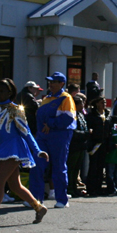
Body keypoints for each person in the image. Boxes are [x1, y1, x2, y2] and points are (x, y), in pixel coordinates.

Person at [0, 79, 49, 228]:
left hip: (14, 149)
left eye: (3, 91)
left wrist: (37, 150)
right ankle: (39, 208)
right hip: (3, 149)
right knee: (15, 186)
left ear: (10, 93)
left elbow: (25, 132)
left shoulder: (16, 109)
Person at [29, 72, 76, 208]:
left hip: (60, 135)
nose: (51, 84)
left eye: (54, 81)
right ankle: (35, 198)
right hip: (43, 136)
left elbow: (68, 118)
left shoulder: (66, 98)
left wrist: (50, 124)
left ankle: (62, 199)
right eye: (50, 81)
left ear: (62, 83)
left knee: (58, 166)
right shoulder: (46, 98)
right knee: (37, 164)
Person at [85, 96, 109, 196]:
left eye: (104, 102)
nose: (104, 104)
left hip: (104, 145)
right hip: (95, 145)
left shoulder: (107, 114)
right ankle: (91, 188)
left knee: (100, 167)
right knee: (93, 167)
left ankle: (98, 188)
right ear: (97, 104)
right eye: (101, 102)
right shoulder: (91, 115)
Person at [67, 96, 89, 197]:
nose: (82, 105)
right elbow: (73, 131)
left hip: (81, 145)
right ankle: (69, 188)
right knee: (71, 168)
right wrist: (86, 134)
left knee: (76, 169)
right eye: (80, 103)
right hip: (74, 146)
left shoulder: (81, 115)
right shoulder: (72, 115)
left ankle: (74, 188)